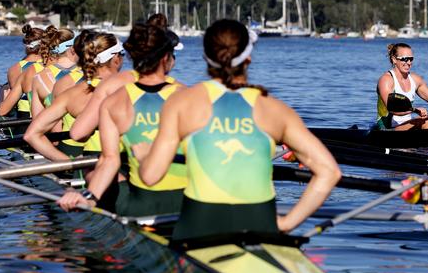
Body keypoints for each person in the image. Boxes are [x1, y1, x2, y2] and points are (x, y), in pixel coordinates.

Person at [131, 19, 340, 240]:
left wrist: (144, 156)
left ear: (205, 58)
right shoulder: (275, 109)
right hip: (261, 226)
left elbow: (151, 176)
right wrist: (287, 222)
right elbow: (329, 172)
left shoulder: (181, 102)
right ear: (248, 58)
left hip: (198, 228)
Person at [58, 23, 185, 217]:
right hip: (189, 203)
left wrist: (89, 197)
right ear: (167, 58)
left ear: (132, 57)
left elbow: (110, 161)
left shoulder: (114, 102)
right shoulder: (191, 96)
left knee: (106, 173)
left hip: (142, 205)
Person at [23, 33, 124, 161]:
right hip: (124, 165)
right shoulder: (130, 85)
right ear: (115, 58)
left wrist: (68, 164)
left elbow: (31, 135)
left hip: (82, 162)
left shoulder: (71, 92)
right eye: (123, 54)